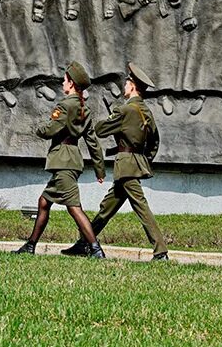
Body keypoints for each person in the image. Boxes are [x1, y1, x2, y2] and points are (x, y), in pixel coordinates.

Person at [62, 63, 169, 261]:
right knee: (106, 209)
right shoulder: (146, 111)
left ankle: (160, 251)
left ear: (133, 86)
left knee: (141, 208)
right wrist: (143, 160)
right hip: (133, 163)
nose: (125, 85)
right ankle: (85, 243)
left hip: (126, 166)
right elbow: (154, 141)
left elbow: (101, 130)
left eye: (127, 82)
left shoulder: (125, 110)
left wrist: (112, 117)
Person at [13, 61, 106, 256]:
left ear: (71, 83)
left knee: (74, 207)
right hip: (71, 160)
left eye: (65, 80)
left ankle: (95, 249)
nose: (62, 83)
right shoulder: (83, 109)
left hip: (63, 162)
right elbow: (92, 142)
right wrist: (99, 169)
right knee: (44, 202)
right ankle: (30, 246)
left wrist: (37, 128)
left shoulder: (64, 106)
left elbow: (50, 130)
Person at [119, 0, 186, 116]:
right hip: (143, 17)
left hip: (164, 17)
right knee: (141, 53)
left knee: (164, 55)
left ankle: (164, 94)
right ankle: (138, 94)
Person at [77, 0, 122, 96]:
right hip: (84, 7)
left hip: (97, 3)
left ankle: (108, 79)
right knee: (88, 42)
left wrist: (108, 6)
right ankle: (91, 77)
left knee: (101, 42)